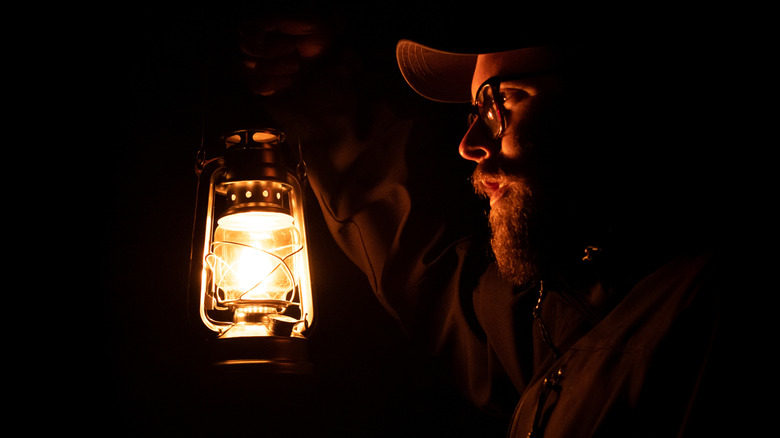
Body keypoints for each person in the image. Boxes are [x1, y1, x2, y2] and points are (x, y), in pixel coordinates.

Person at [241, 12, 732, 437]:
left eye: (501, 103)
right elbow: (424, 273)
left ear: (610, 96)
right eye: (474, 111)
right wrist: (320, 81)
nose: (470, 143)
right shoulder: (565, 323)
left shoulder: (696, 313)